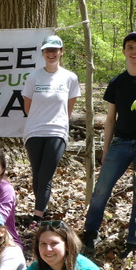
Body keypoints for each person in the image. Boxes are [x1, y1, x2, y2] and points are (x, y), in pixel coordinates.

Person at [81, 31, 136, 258]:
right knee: (101, 191)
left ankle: (134, 241)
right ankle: (90, 233)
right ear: (124, 51)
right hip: (119, 143)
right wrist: (106, 148)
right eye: (130, 47)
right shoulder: (117, 82)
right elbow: (110, 118)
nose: (134, 51)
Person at [23, 35, 81, 227]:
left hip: (57, 131)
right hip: (34, 131)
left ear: (61, 52)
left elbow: (69, 107)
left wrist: (56, 121)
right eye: (48, 50)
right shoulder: (33, 77)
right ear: (43, 53)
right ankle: (43, 206)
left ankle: (37, 217)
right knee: (37, 175)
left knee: (46, 175)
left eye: (55, 50)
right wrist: (39, 119)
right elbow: (27, 107)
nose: (51, 53)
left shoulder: (70, 77)